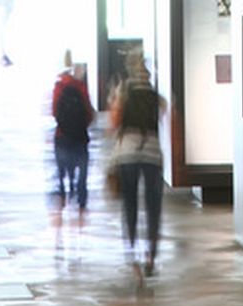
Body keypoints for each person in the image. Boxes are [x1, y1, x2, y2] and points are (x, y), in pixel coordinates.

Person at [108, 54, 166, 279]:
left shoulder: (123, 93)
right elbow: (167, 119)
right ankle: (151, 256)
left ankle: (132, 255)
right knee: (153, 207)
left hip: (127, 154)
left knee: (130, 204)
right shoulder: (156, 97)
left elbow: (114, 125)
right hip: (152, 154)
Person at [51, 52, 94, 237]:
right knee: (81, 174)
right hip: (79, 138)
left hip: (62, 137)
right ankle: (81, 209)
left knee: (62, 172)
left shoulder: (59, 86)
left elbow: (54, 112)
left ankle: (63, 195)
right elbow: (88, 113)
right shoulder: (81, 87)